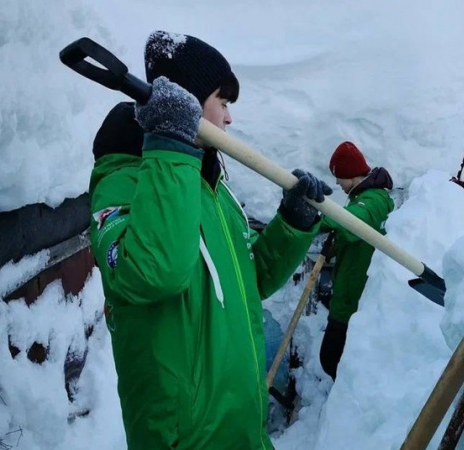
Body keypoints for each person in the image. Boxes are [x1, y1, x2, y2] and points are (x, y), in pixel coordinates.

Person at [88, 30, 332, 449]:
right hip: (188, 439)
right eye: (223, 102)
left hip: (243, 428)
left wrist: (291, 224)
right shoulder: (123, 184)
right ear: (186, 99)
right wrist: (169, 147)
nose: (229, 119)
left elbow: (248, 284)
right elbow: (153, 274)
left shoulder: (213, 190)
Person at [318, 141, 394, 379]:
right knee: (331, 360)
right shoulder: (364, 197)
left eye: (338, 177)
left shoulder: (374, 200)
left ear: (350, 173)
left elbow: (354, 221)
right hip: (347, 295)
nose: (338, 183)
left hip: (353, 300)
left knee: (331, 359)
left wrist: (313, 216)